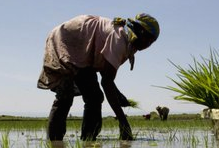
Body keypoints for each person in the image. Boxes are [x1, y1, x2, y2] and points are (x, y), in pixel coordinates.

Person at [37, 13, 159, 141]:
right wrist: (123, 121)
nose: (148, 45)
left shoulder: (128, 41)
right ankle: (55, 144)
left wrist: (117, 94)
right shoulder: (120, 39)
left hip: (83, 48)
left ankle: (88, 141)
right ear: (139, 31)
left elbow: (105, 71)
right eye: (148, 39)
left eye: (152, 42)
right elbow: (106, 82)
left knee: (94, 96)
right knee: (65, 95)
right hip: (66, 40)